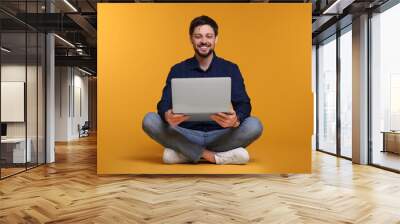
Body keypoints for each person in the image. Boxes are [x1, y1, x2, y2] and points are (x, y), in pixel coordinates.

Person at [142, 15, 263, 165]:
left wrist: (236, 120)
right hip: (186, 133)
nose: (204, 41)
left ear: (215, 39)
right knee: (149, 120)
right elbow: (163, 103)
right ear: (191, 39)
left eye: (209, 36)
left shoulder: (230, 68)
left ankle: (185, 153)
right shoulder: (178, 70)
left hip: (220, 134)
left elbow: (244, 104)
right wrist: (167, 115)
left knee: (254, 125)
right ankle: (212, 156)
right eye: (198, 36)